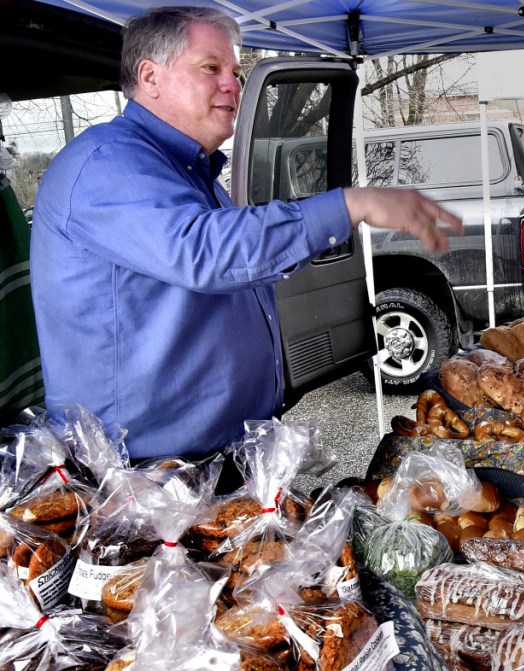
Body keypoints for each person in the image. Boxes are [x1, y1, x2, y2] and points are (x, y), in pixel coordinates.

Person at [30, 6, 462, 463]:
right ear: (150, 77)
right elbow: (205, 252)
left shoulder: (192, 172)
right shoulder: (105, 163)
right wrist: (349, 205)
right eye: (211, 68)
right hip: (143, 477)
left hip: (218, 458)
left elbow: (239, 261)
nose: (232, 85)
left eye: (235, 72)